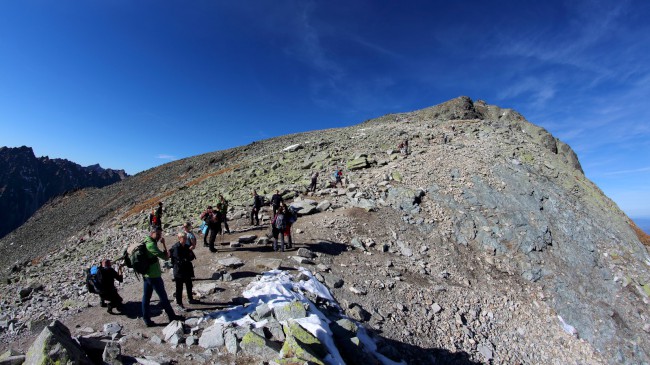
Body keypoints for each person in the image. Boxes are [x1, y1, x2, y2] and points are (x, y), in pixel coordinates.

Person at [141, 227, 182, 327]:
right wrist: (163, 243)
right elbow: (166, 257)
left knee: (146, 298)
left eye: (160, 234)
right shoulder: (151, 245)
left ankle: (147, 320)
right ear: (153, 233)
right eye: (158, 234)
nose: (159, 236)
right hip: (154, 275)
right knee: (163, 297)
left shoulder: (146, 240)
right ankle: (172, 316)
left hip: (147, 275)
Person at [170, 232, 196, 309]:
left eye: (185, 238)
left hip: (186, 269)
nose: (184, 240)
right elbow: (178, 259)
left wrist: (190, 252)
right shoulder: (176, 247)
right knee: (179, 288)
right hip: (179, 270)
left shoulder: (187, 246)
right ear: (179, 238)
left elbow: (192, 257)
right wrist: (187, 257)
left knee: (189, 285)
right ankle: (179, 303)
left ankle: (190, 299)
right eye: (183, 238)